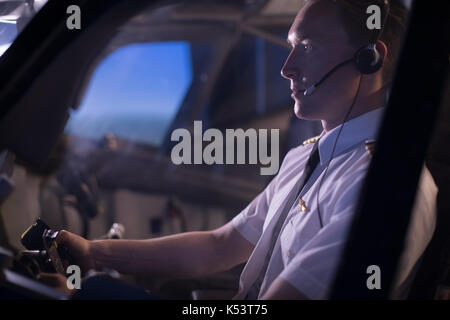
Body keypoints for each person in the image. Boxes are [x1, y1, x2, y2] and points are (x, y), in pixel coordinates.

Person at [52, 0, 437, 299]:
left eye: (307, 46)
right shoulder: (308, 156)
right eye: (290, 47)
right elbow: (220, 246)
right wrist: (96, 253)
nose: (287, 68)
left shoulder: (386, 186)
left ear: (369, 60)